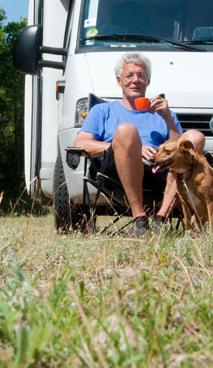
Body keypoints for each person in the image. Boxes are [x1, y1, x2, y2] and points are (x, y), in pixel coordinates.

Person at [72, 52, 205, 237]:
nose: (135, 80)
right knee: (127, 130)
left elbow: (181, 152)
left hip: (162, 173)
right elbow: (80, 144)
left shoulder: (164, 114)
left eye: (141, 75)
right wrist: (125, 147)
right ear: (119, 81)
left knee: (195, 137)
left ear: (148, 81)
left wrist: (167, 118)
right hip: (118, 175)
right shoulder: (102, 110)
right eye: (129, 75)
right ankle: (139, 219)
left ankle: (161, 218)